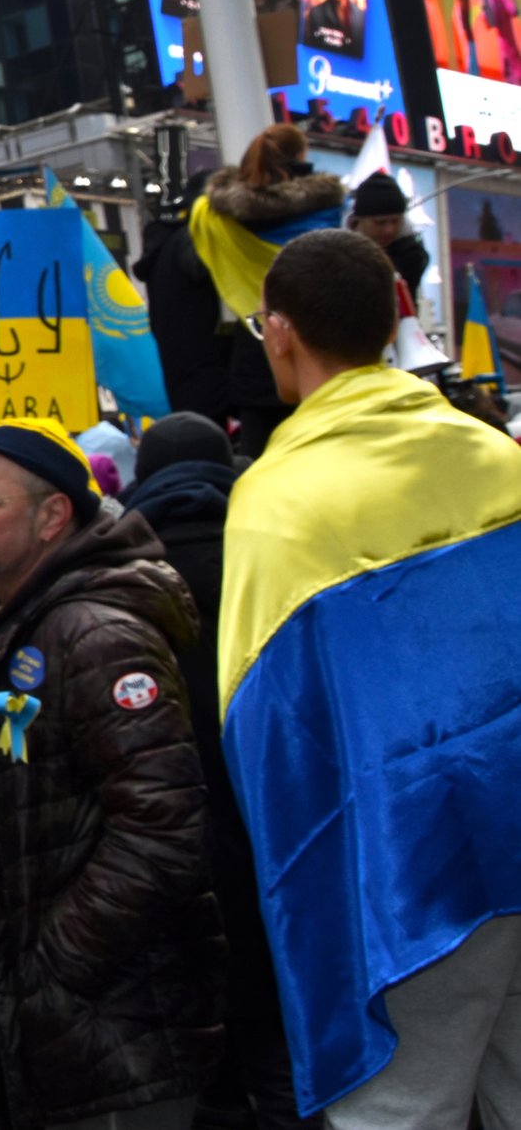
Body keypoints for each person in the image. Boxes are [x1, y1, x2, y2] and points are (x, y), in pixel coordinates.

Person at [219, 229, 521, 1128]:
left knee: (401, 1110)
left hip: (411, 869)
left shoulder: (277, 499)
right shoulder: (498, 456)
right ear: (397, 314)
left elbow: (269, 735)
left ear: (279, 331)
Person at [0, 419, 223, 1130]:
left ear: (53, 516)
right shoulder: (3, 622)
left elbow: (164, 829)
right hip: (47, 1028)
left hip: (111, 1035)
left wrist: (55, 966)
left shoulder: (95, 633)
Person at [117, 414, 306, 1130]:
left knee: (204, 1038)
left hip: (170, 822)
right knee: (281, 1027)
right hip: (275, 813)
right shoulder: (275, 546)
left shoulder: (124, 569)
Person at [140, 123, 344, 455]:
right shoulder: (328, 215)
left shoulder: (211, 221)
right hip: (323, 360)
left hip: (253, 365)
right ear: (301, 159)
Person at [347, 170, 429, 290]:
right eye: (380, 222)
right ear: (359, 220)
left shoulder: (411, 254)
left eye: (395, 221)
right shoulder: (337, 249)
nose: (389, 230)